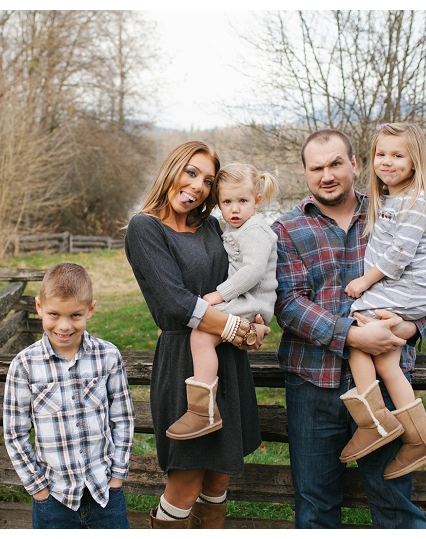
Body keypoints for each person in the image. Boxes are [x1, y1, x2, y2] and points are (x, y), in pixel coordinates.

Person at [272, 128, 426, 528]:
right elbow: (289, 303)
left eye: (336, 163)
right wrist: (350, 334)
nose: (327, 175)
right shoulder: (287, 229)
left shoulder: (394, 207)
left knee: (393, 503)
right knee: (315, 505)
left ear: (354, 164)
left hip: (386, 382)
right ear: (305, 172)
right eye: (317, 168)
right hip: (313, 383)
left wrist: (408, 328)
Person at [124, 141, 270, 529]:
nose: (199, 186)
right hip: (184, 363)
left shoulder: (211, 226)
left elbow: (239, 274)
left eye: (208, 180)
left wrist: (253, 316)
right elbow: (175, 303)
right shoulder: (145, 228)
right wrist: (234, 328)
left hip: (228, 359)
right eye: (191, 172)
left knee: (219, 476)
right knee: (187, 480)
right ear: (172, 169)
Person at [340, 123, 426, 476]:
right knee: (387, 361)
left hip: (406, 291)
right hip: (400, 292)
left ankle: (374, 422)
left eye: (398, 155)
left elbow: (399, 254)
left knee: (357, 335)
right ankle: (421, 438)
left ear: (415, 162)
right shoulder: (389, 199)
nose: (387, 161)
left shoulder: (414, 200)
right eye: (381, 154)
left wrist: (363, 282)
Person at [3, 262, 134, 529]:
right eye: (54, 314)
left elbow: (123, 419)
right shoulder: (24, 365)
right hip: (53, 498)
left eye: (75, 315)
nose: (63, 326)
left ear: (90, 310)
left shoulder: (107, 356)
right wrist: (38, 489)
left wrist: (117, 477)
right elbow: (14, 433)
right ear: (39, 307)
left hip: (105, 493)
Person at [167, 163, 279, 440]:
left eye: (242, 201)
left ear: (257, 201)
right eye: (227, 202)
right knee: (205, 332)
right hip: (247, 300)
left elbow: (252, 271)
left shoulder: (255, 230)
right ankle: (249, 335)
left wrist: (219, 295)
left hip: (252, 300)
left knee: (202, 335)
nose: (235, 209)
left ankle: (202, 411)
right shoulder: (235, 229)